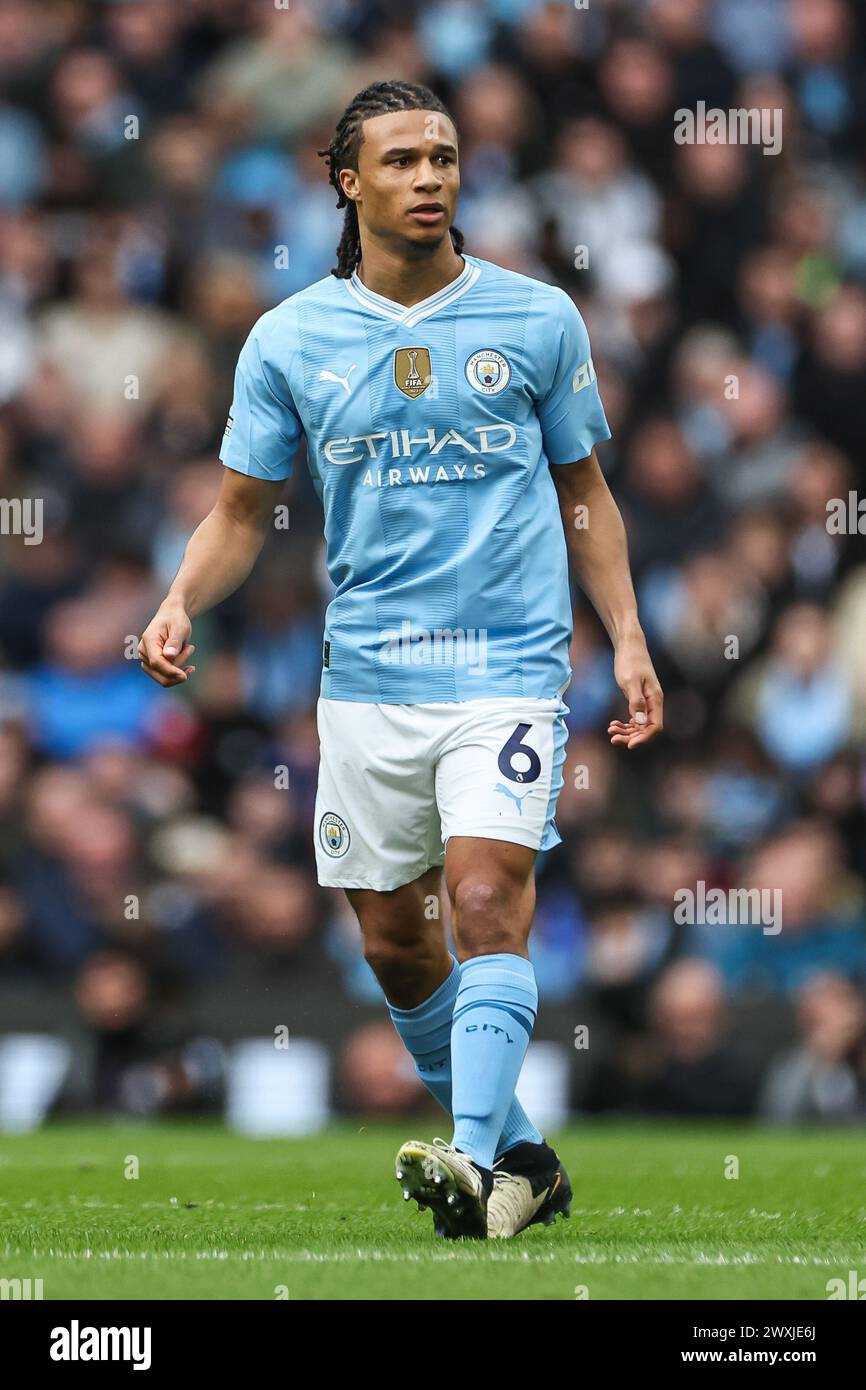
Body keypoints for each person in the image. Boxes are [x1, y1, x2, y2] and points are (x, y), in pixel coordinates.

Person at [139, 80, 663, 1239]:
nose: (428, 177)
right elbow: (238, 510)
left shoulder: (536, 319)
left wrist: (626, 636)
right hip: (369, 678)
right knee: (391, 938)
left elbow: (585, 495)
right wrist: (180, 602)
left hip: (509, 669)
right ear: (347, 181)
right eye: (401, 160)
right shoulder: (290, 338)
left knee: (484, 897)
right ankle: (525, 1158)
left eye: (442, 156)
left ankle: (473, 1166)